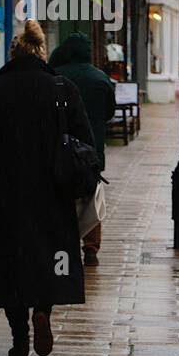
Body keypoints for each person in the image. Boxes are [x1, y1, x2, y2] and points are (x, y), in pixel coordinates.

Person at [0, 20, 94, 356]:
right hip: (53, 194)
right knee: (51, 259)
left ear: (12, 54)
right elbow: (86, 143)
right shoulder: (63, 88)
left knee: (10, 266)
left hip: (2, 196)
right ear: (42, 51)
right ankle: (43, 310)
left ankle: (19, 339)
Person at [50, 32, 116, 267]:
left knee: (62, 200)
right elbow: (109, 112)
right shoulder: (101, 78)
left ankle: (63, 246)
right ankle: (90, 248)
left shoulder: (56, 77)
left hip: (60, 149)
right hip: (91, 149)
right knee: (91, 199)